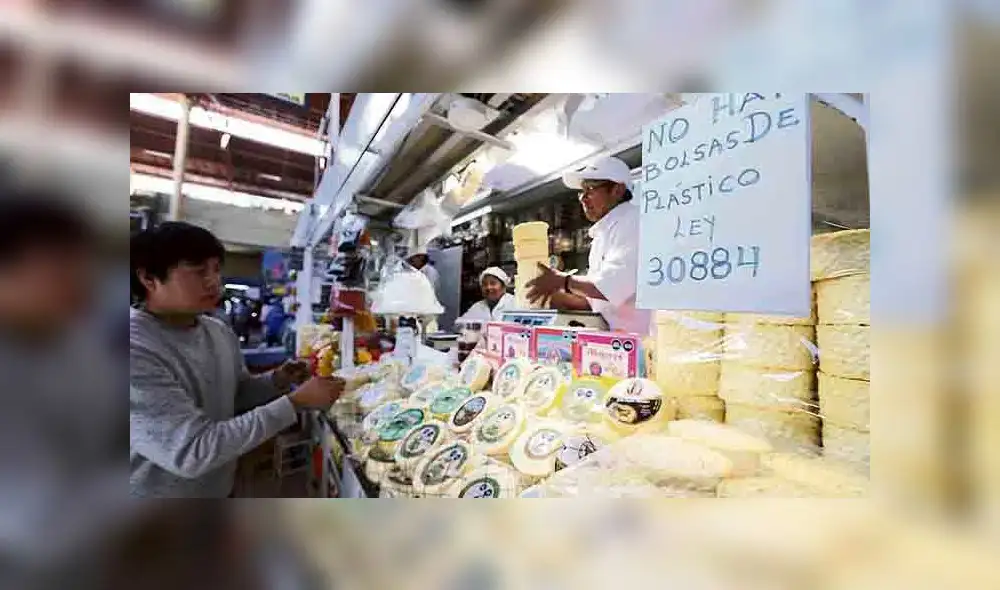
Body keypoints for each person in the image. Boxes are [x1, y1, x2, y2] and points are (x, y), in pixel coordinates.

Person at [130, 222, 345, 498]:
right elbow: (191, 451)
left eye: (217, 269)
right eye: (198, 272)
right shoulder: (131, 348)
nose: (213, 281)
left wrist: (277, 380)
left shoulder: (217, 330)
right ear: (149, 278)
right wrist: (295, 403)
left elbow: (236, 397)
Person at [526, 156, 651, 335]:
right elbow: (595, 302)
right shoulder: (602, 234)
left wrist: (562, 281)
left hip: (639, 344)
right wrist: (552, 297)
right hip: (613, 341)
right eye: (581, 191)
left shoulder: (634, 222)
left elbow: (610, 287)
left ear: (617, 189)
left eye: (590, 189)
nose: (583, 199)